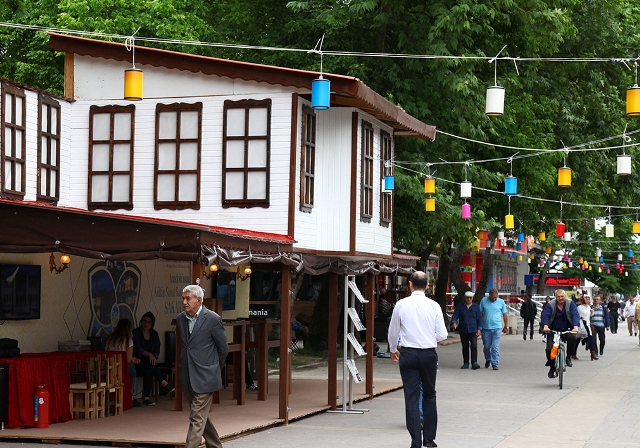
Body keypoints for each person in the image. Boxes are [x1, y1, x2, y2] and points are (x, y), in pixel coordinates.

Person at [387, 271, 448, 448]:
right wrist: (429, 339)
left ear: (410, 285)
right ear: (427, 286)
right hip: (429, 354)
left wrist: (392, 349)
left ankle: (415, 441)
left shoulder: (401, 304)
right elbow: (443, 334)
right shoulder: (434, 305)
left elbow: (393, 331)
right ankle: (429, 438)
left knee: (412, 396)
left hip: (409, 354)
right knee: (429, 394)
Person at [177, 284, 229, 448]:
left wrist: (214, 367)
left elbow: (223, 348)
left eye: (188, 298)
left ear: (199, 300)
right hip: (188, 375)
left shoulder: (212, 318)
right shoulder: (180, 319)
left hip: (206, 375)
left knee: (196, 417)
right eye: (183, 298)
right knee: (200, 416)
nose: (185, 302)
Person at [132, 312, 175, 405]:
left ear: (152, 324)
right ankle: (162, 383)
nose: (146, 324)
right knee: (150, 364)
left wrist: (153, 356)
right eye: (144, 321)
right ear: (141, 321)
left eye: (149, 322)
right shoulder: (136, 333)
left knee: (149, 367)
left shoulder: (154, 334)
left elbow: (157, 349)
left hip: (149, 363)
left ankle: (147, 398)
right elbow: (137, 349)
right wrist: (149, 355)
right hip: (137, 362)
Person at [541, 289, 579, 378]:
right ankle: (552, 367)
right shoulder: (550, 304)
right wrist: (545, 326)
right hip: (553, 330)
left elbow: (575, 315)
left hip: (567, 329)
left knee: (573, 338)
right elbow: (545, 315)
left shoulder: (570, 303)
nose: (560, 298)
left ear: (565, 296)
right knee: (549, 349)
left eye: (562, 296)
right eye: (558, 297)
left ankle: (568, 357)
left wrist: (575, 326)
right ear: (555, 297)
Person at [105, 318, 142, 407]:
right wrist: (132, 359)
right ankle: (131, 396)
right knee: (132, 369)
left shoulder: (110, 338)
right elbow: (128, 360)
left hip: (109, 366)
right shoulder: (128, 340)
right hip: (121, 367)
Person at [451, 291, 482, 369]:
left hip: (473, 329)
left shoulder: (476, 307)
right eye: (467, 298)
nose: (468, 299)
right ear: (465, 298)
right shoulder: (460, 306)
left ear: (472, 298)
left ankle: (474, 362)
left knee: (474, 345)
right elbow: (455, 316)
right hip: (463, 329)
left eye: (470, 298)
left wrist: (479, 329)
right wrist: (454, 322)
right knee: (465, 346)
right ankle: (466, 362)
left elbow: (479, 319)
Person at [479, 288, 508, 370]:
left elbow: (505, 314)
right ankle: (488, 359)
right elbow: (480, 313)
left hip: (497, 327)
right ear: (489, 295)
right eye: (492, 297)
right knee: (487, 346)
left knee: (495, 346)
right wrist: (479, 326)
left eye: (495, 297)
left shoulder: (501, 302)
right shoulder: (483, 301)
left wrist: (506, 326)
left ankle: (495, 363)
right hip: (486, 327)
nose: (493, 299)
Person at [577, 295, 598, 361]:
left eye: (589, 299)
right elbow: (576, 315)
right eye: (587, 300)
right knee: (577, 340)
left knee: (590, 339)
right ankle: (573, 353)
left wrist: (592, 312)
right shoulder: (579, 307)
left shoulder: (589, 307)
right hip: (581, 325)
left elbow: (590, 316)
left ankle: (592, 353)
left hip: (587, 325)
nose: (588, 301)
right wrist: (579, 317)